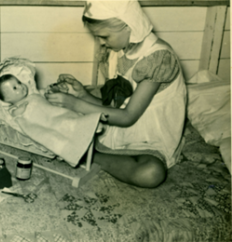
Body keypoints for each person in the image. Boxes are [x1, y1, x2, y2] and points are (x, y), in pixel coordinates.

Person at [45, 0, 187, 188]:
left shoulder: (158, 58)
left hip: (151, 135)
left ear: (128, 25)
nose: (101, 43)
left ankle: (90, 155)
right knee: (61, 120)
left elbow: (128, 116)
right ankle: (86, 150)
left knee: (151, 173)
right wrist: (81, 94)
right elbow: (115, 105)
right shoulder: (122, 49)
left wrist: (75, 104)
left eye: (104, 36)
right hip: (122, 128)